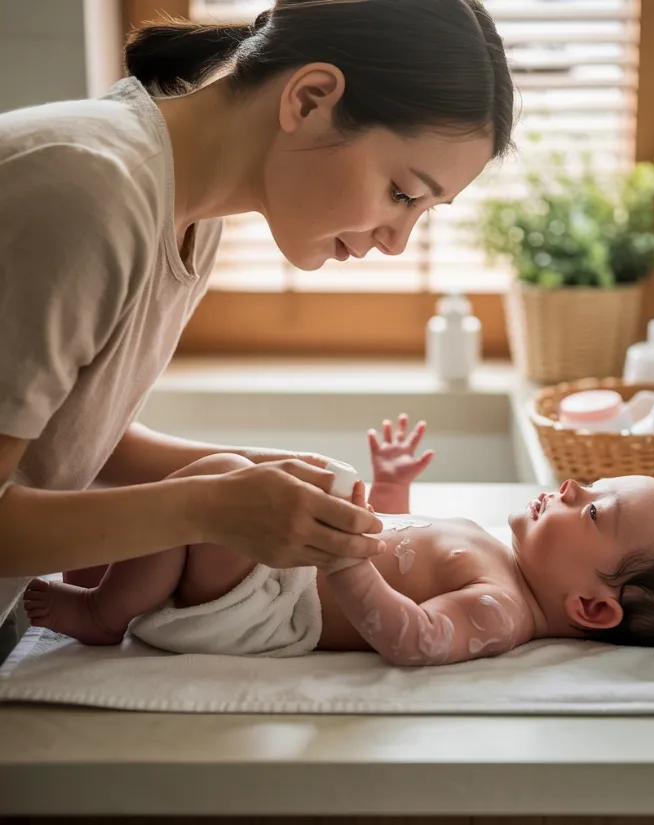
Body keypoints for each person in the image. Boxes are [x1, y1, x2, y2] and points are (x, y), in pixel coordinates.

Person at [0, 0, 516, 639]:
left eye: (422, 213)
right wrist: (208, 507)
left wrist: (252, 474)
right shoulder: (87, 193)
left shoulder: (189, 215)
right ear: (309, 99)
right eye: (403, 193)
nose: (397, 242)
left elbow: (66, 435)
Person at [25, 414, 654, 664]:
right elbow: (402, 541)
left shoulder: (501, 609)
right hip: (280, 572)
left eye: (593, 512)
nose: (570, 487)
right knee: (231, 485)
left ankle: (103, 614)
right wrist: (389, 492)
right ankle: (94, 564)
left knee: (215, 483)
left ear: (592, 607)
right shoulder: (497, 555)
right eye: (592, 485)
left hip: (270, 609)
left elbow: (410, 635)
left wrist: (343, 559)